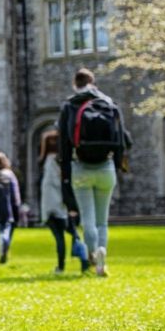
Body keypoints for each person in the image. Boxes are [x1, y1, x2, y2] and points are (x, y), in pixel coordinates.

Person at [57, 68, 131, 277]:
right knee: (102, 221)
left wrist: (64, 171)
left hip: (80, 167)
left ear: (75, 84)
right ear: (93, 82)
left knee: (88, 220)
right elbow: (122, 141)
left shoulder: (70, 105)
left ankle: (92, 254)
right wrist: (116, 166)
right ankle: (102, 256)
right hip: (106, 166)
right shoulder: (109, 103)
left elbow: (63, 143)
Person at [37, 129, 88, 275]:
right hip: (65, 205)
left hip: (54, 206)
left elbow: (50, 186)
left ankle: (61, 267)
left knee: (60, 238)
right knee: (75, 234)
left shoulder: (49, 162)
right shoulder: (65, 162)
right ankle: (84, 262)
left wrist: (48, 209)